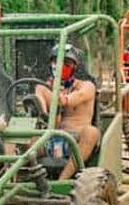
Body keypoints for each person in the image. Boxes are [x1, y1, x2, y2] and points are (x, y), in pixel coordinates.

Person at [35, 43, 99, 180]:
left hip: (76, 142)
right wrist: (46, 110)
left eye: (66, 62)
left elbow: (79, 97)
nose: (60, 65)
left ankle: (62, 180)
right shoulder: (45, 88)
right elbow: (44, 99)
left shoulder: (87, 86)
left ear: (74, 66)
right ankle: (12, 180)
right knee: (14, 132)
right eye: (55, 61)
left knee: (92, 132)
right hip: (51, 138)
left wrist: (64, 99)